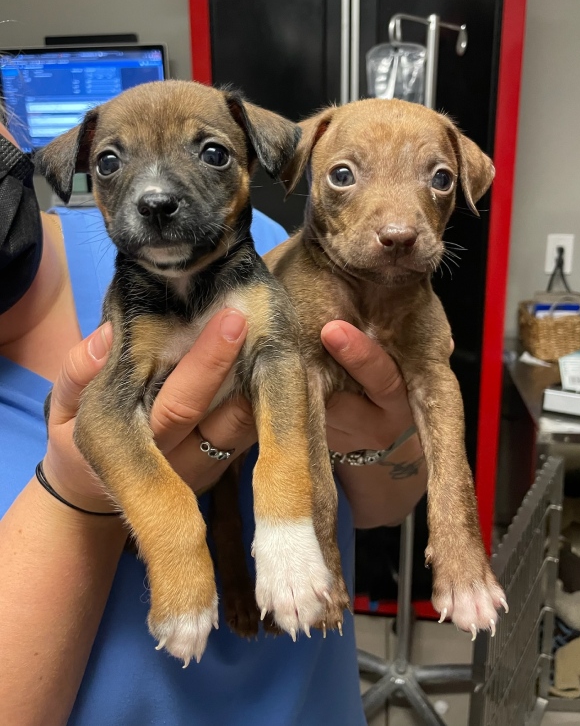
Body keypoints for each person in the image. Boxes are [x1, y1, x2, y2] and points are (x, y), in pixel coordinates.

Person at [0, 120, 427, 726]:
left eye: (212, 153)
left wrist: (379, 451)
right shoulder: (134, 292)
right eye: (113, 163)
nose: (156, 193)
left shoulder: (266, 248)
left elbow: (384, 501)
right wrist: (90, 503)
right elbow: (107, 419)